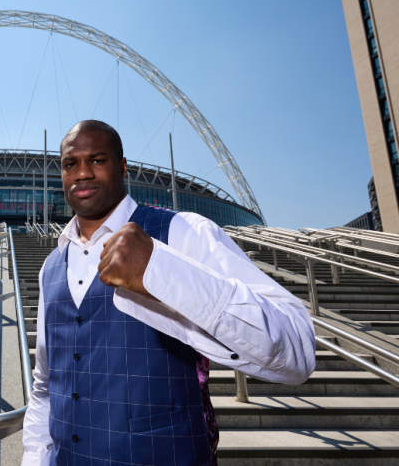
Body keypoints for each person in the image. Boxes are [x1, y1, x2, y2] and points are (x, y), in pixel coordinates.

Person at [21, 120, 316, 466]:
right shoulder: (50, 267)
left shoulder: (182, 232)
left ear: (123, 167)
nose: (82, 173)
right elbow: (45, 384)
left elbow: (297, 351)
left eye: (97, 160)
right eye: (71, 163)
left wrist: (161, 271)